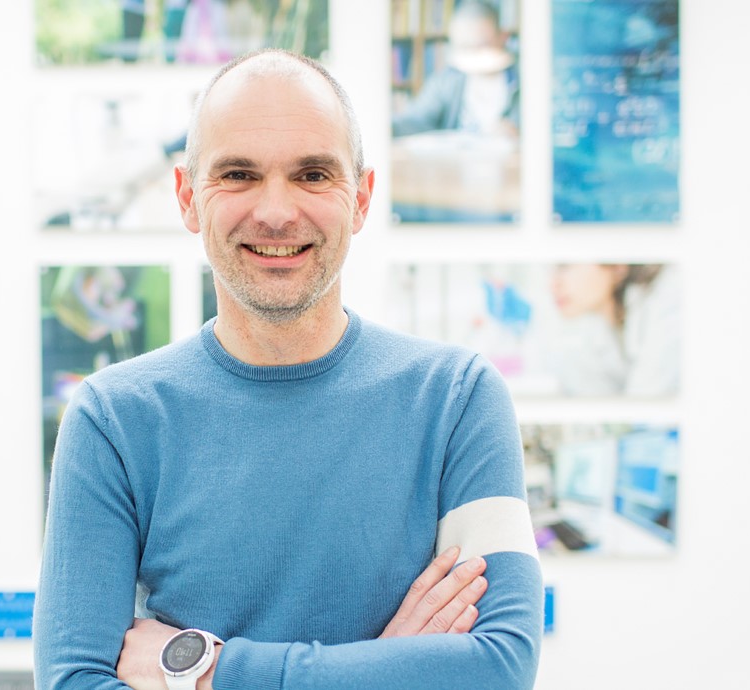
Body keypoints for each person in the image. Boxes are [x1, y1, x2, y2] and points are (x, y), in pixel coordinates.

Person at [34, 49, 542, 689]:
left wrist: (210, 669)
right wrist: (385, 667)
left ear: (360, 199)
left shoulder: (458, 398)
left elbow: (500, 668)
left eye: (312, 174)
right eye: (239, 174)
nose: (276, 212)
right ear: (188, 198)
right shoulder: (114, 418)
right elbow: (73, 681)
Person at [391, 1, 519, 139]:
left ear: (503, 38)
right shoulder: (445, 81)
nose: (473, 55)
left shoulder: (523, 80)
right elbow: (416, 120)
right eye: (464, 47)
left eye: (482, 45)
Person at [549, 263, 680, 397]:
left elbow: (646, 407)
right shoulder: (590, 332)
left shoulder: (668, 303)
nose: (554, 284)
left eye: (565, 265)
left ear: (618, 266)